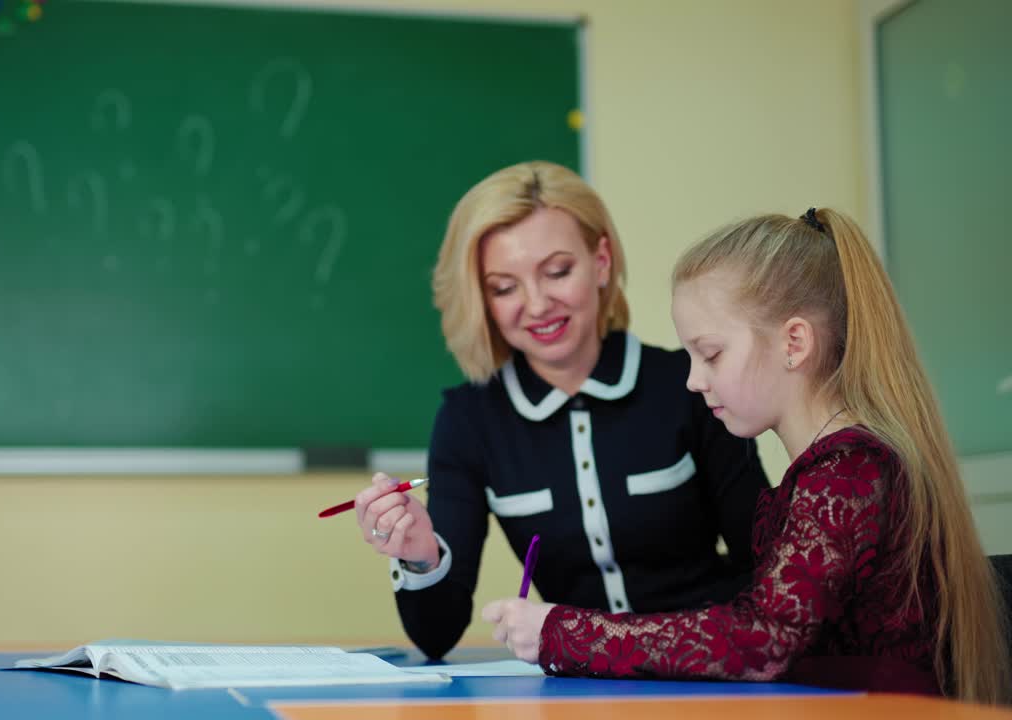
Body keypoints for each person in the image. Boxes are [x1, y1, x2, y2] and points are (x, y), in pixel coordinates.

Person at [481, 208, 1010, 704]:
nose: (692, 380)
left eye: (710, 354)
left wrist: (559, 632)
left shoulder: (848, 475)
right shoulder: (825, 471)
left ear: (794, 342)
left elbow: (763, 639)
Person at [353, 161, 769, 660]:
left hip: (707, 670)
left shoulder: (691, 385)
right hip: (576, 687)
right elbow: (436, 636)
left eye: (557, 272)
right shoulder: (468, 420)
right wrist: (421, 555)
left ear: (601, 261)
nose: (536, 305)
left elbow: (764, 566)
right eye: (504, 287)